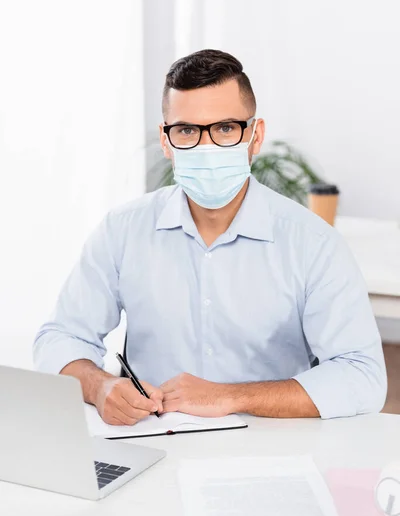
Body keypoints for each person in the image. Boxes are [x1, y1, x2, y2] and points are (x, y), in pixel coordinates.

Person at [33, 49, 387, 425]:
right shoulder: (123, 230)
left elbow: (362, 375)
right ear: (166, 141)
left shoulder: (313, 242)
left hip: (275, 445)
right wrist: (99, 385)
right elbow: (59, 338)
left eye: (224, 128)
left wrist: (229, 396)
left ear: (254, 135)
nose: (206, 147)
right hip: (155, 439)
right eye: (186, 130)